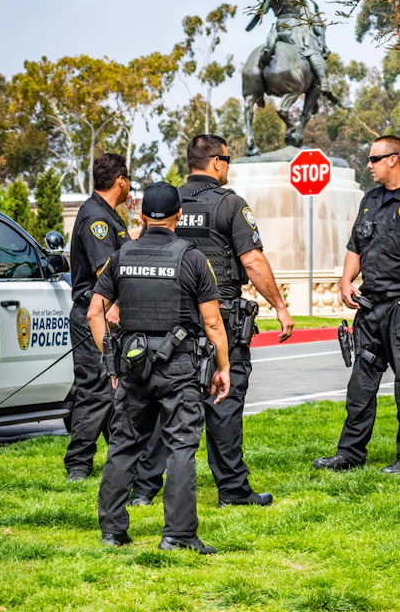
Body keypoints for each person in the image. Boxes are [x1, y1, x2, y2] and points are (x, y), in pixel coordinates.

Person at [128, 134, 293, 509]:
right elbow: (252, 261)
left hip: (172, 325)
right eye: (228, 159)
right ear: (216, 162)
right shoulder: (229, 204)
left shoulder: (168, 203)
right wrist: (280, 306)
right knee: (224, 402)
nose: (228, 166)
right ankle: (232, 490)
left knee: (165, 404)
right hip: (219, 318)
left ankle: (143, 490)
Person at [89, 181, 231, 554]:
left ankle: (112, 531)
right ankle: (178, 535)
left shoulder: (121, 256)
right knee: (180, 447)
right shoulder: (192, 258)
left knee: (123, 444)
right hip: (179, 367)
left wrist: (112, 362)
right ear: (178, 215)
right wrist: (223, 367)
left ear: (141, 215)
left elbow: (94, 313)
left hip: (133, 366)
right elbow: (213, 323)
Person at [314, 135, 400, 474]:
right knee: (360, 385)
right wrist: (346, 281)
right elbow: (355, 246)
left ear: (394, 159)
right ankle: (349, 454)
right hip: (369, 308)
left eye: (374, 159)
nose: (369, 165)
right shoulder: (370, 200)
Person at [64, 153, 132, 482]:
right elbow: (106, 272)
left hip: (107, 314)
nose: (130, 186)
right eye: (129, 180)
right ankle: (78, 465)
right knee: (96, 388)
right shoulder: (96, 218)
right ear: (121, 181)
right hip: (95, 314)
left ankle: (122, 458)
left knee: (113, 389)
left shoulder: (107, 214)